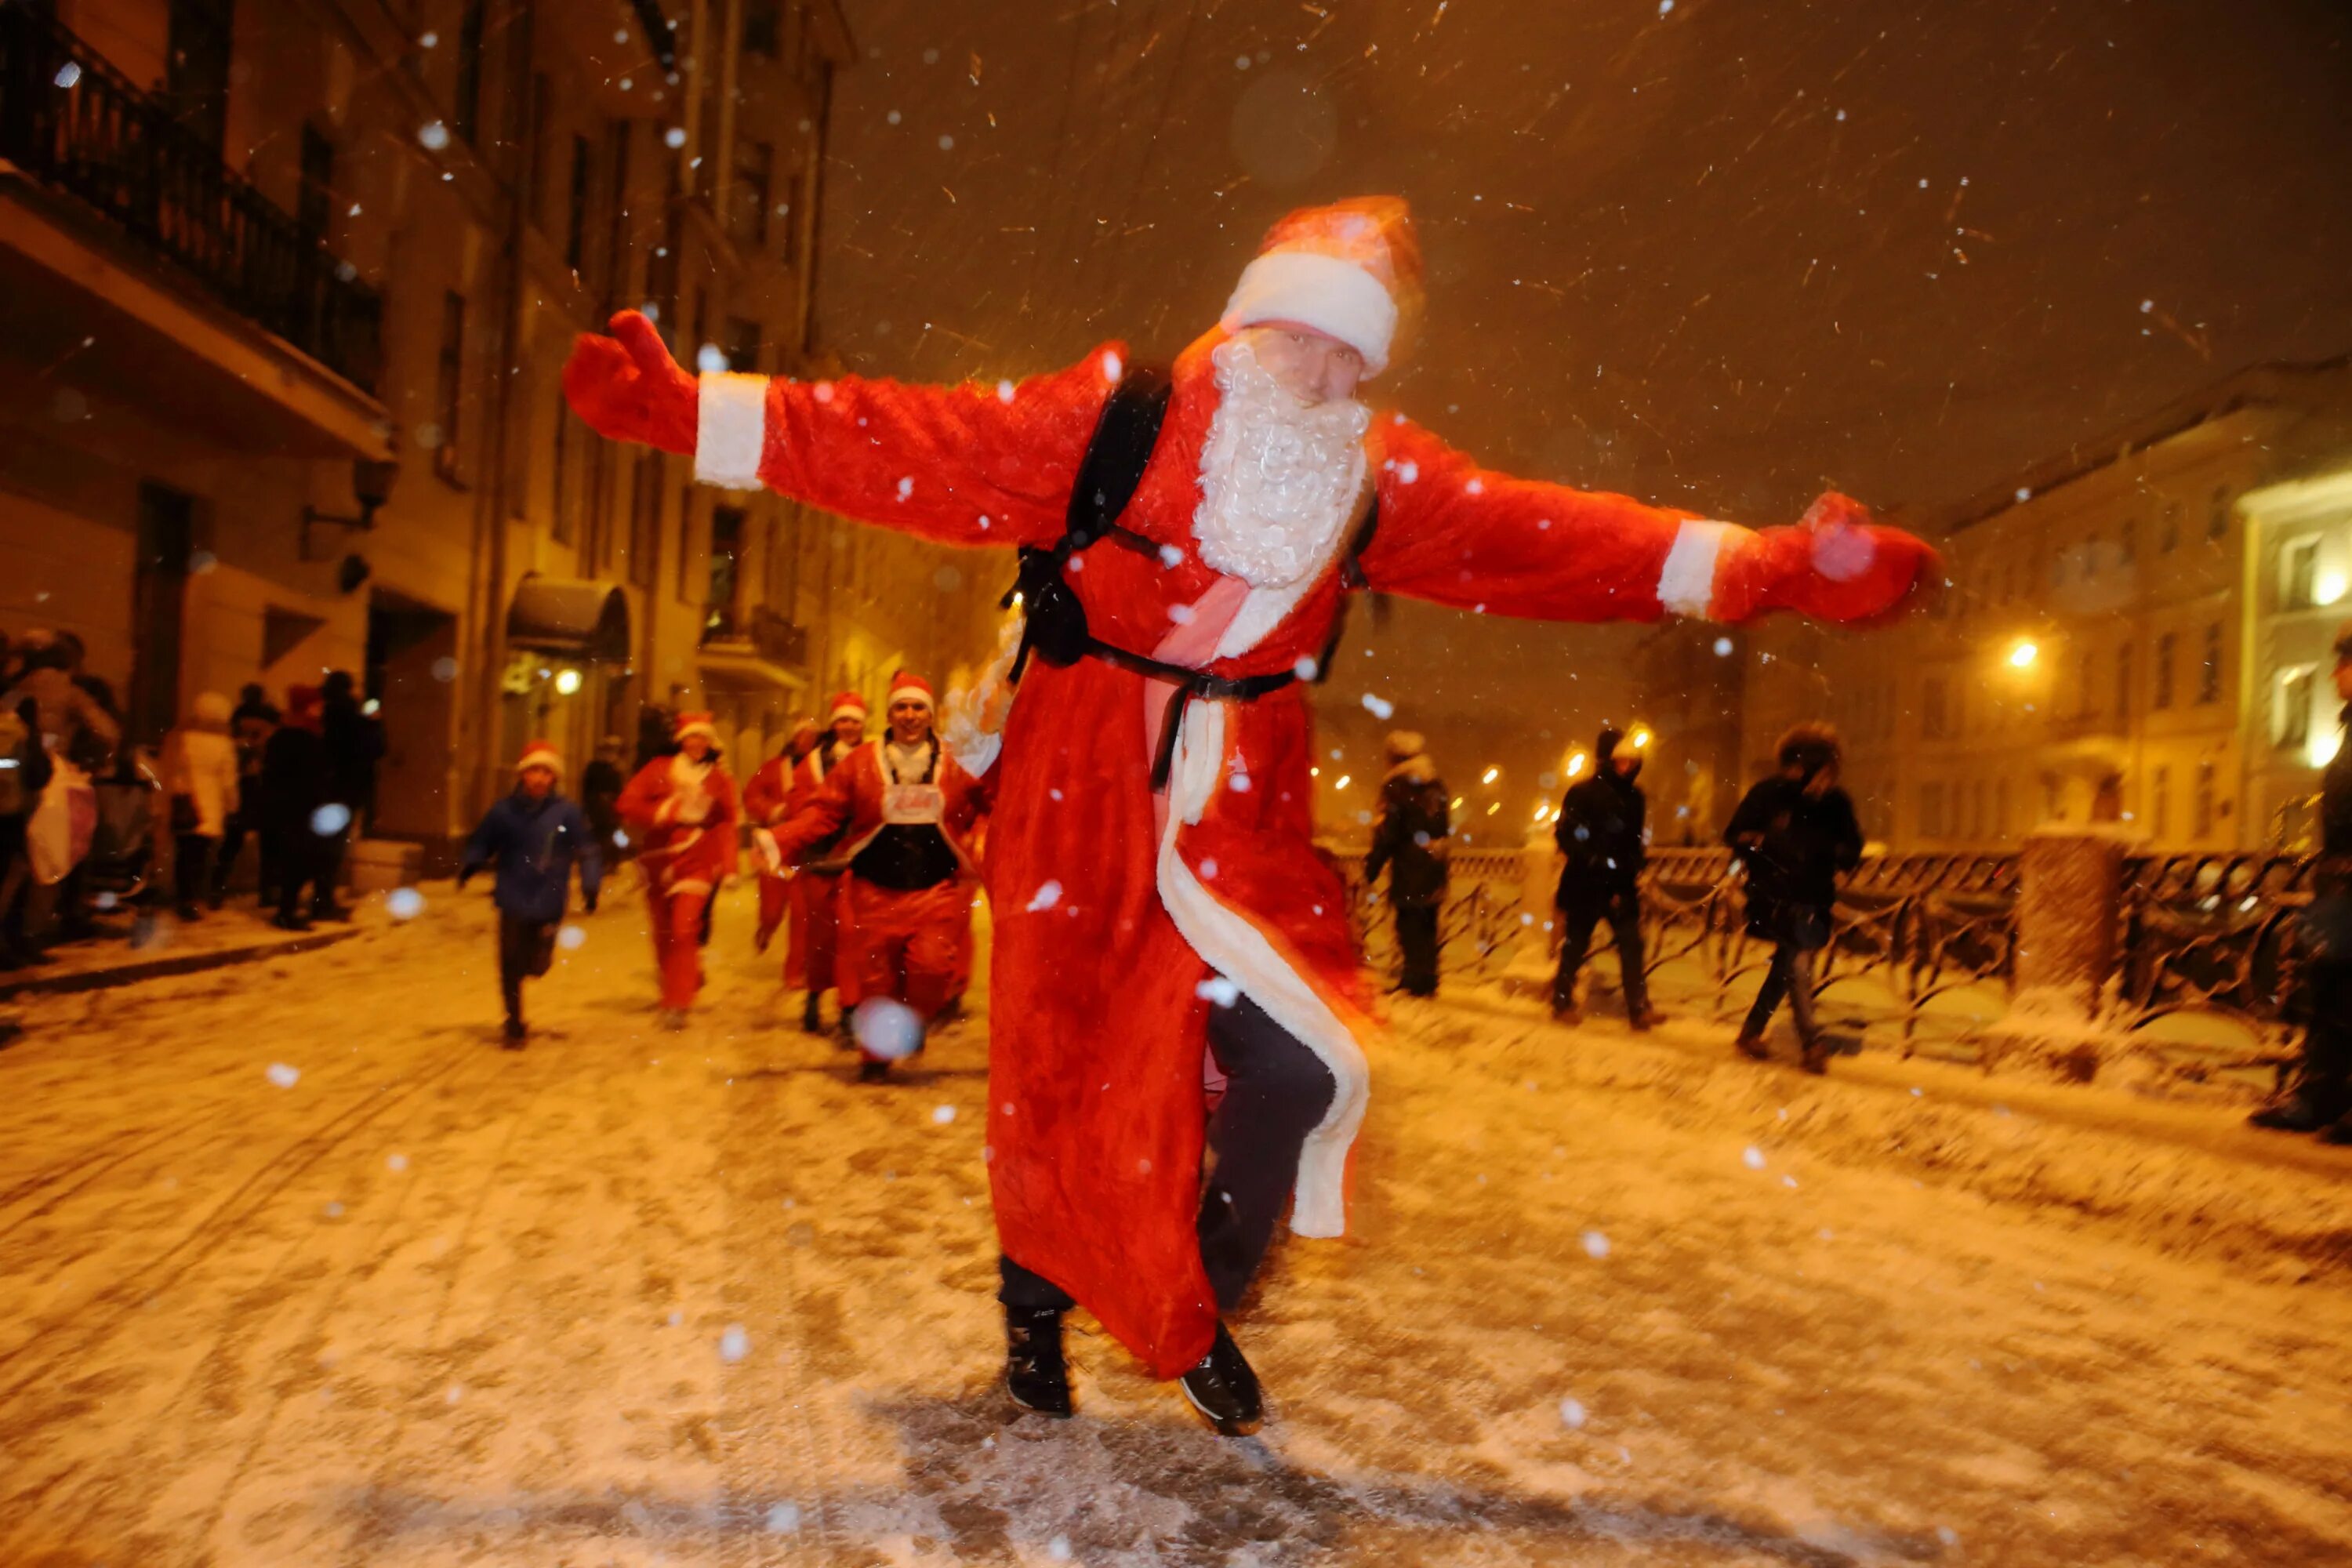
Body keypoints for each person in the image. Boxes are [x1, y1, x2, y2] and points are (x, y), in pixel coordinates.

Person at [564, 194, 1936, 1433]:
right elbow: (911, 441)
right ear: (1250, 322)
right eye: (1309, 345)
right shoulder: (1121, 416)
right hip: (1083, 779)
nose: (1332, 376)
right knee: (1066, 1070)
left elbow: (1554, 540)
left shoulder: (1372, 477)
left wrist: (1768, 567)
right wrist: (698, 412)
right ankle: (1037, 1318)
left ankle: (1191, 1296)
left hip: (1241, 803)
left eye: (1356, 357)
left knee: (1297, 1063)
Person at [771, 673, 987, 1083]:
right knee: (875, 979)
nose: (910, 716)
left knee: (931, 969)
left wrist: (984, 838)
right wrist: (780, 839)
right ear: (889, 713)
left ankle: (913, 1019)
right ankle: (875, 1055)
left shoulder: (956, 761)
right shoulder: (861, 761)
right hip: (874, 890)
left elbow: (992, 800)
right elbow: (823, 811)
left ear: (929, 713)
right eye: (901, 708)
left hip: (935, 889)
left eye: (918, 707)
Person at [2250, 619, 2352, 1141]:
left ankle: (2328, 1095)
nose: (2335, 673)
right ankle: (2321, 1093)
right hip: (2339, 882)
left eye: (2344, 661)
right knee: (2331, 989)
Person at [1724, 724, 1862, 1074]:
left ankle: (1751, 1031)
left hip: (1813, 895)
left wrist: (1836, 852)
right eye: (1822, 769)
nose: (1825, 778)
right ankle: (1811, 1042)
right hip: (1773, 893)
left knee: (1787, 965)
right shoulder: (1769, 794)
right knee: (1797, 965)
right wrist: (1765, 848)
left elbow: (1851, 846)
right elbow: (1736, 835)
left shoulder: (1835, 803)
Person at [459, 741, 603, 1046]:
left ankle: (539, 957)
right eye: (532, 771)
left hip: (549, 897)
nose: (538, 778)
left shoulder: (567, 813)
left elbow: (587, 849)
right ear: (522, 775)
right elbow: (483, 840)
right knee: (509, 960)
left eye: (545, 772)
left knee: (536, 966)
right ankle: (513, 1022)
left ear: (554, 778)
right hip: (512, 892)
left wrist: (591, 885)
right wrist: (472, 863)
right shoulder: (503, 811)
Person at [615, 711, 739, 1029]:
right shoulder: (658, 770)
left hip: (697, 860)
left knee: (685, 929)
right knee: (664, 933)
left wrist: (730, 866)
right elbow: (626, 804)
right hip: (658, 860)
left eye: (703, 738)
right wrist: (664, 811)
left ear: (710, 742)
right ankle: (676, 981)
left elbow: (727, 822)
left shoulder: (718, 779)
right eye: (691, 737)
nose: (697, 743)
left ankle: (678, 1003)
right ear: (681, 741)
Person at [1552, 727, 1656, 1029]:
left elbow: (1634, 838)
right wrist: (1591, 856)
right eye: (1621, 761)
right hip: (1587, 881)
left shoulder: (1636, 797)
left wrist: (1636, 862)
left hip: (1620, 882)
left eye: (1631, 762)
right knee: (1576, 944)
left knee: (1630, 943)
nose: (1627, 767)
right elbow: (1567, 833)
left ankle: (1638, 1007)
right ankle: (1561, 1001)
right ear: (1607, 760)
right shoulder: (1582, 793)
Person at [779, 694, 867, 1034]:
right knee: (821, 937)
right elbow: (796, 805)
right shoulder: (812, 764)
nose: (848, 727)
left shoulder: (872, 758)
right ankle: (815, 995)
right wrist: (823, 815)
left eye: (855, 721)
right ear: (833, 724)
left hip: (858, 858)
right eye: (843, 720)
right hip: (819, 858)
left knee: (851, 935)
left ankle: (849, 1006)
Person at [1362, 730, 1450, 996]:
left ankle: (1413, 979)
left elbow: (1389, 832)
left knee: (1408, 923)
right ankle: (1428, 978)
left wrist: (1373, 866)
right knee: (1427, 922)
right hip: (1435, 862)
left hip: (1409, 865)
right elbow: (1443, 826)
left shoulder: (1396, 787)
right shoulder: (1436, 785)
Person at [742, 717, 821, 955]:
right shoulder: (774, 767)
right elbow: (751, 795)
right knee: (772, 909)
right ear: (795, 738)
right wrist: (773, 810)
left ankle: (795, 971)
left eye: (813, 736)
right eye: (803, 735)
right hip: (774, 848)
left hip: (805, 848)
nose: (807, 740)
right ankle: (766, 928)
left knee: (801, 913)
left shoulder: (822, 769)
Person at [162, 692, 240, 922]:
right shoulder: (224, 744)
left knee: (184, 853)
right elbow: (228, 781)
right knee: (201, 855)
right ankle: (194, 899)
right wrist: (232, 805)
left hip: (185, 803)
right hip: (210, 804)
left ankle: (183, 898)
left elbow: (172, 770)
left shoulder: (182, 737)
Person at [260, 684, 332, 931]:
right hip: (301, 808)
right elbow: (314, 775)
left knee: (298, 861)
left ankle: (286, 908)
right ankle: (285, 912)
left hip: (288, 807)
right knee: (301, 861)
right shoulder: (305, 737)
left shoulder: (283, 736)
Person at [315, 671, 383, 917]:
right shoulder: (353, 714)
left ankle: (321, 898)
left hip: (328, 787)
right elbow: (374, 749)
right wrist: (374, 723)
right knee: (334, 848)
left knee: (325, 844)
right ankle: (323, 901)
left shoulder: (327, 712)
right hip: (348, 788)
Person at [0, 695, 57, 969]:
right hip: (11, 814)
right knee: (16, 879)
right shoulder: (21, 735)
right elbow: (38, 775)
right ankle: (13, 942)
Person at [216, 684, 280, 907]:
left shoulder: (235, 721)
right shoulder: (271, 722)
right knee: (269, 843)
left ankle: (217, 889)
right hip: (264, 786)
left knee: (232, 841)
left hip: (242, 784)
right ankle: (268, 891)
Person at [580, 735, 629, 869]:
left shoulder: (618, 768)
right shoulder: (594, 767)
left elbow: (621, 789)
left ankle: (612, 861)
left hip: (612, 807)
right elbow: (588, 790)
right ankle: (601, 861)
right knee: (600, 835)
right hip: (598, 807)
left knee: (613, 834)